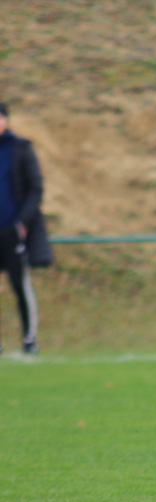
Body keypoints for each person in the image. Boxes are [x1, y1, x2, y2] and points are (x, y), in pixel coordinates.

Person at [0, 102, 53, 355]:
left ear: (5, 120)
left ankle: (29, 338)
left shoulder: (20, 148)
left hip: (12, 229)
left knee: (20, 284)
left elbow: (35, 188)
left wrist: (22, 222)